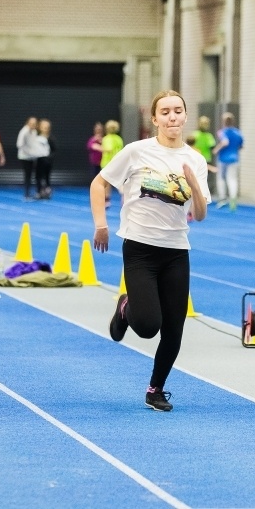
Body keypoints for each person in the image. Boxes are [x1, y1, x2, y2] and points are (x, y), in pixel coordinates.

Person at [90, 89, 210, 412]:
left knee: (174, 328)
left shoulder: (196, 160)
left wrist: (196, 188)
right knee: (147, 325)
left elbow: (199, 214)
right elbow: (98, 184)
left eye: (178, 111)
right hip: (140, 248)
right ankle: (127, 307)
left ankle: (155, 388)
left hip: (175, 250)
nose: (172, 117)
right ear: (154, 118)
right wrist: (101, 223)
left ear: (185, 117)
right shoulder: (136, 151)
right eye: (165, 112)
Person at [211, 112, 243, 211]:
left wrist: (217, 149)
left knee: (221, 178)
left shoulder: (222, 132)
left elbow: (225, 142)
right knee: (232, 179)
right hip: (234, 158)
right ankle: (233, 198)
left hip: (223, 159)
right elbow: (241, 146)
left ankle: (222, 198)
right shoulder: (238, 133)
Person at [99, 120, 123, 208]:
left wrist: (99, 147)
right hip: (118, 162)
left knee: (106, 183)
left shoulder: (107, 138)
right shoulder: (119, 139)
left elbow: (108, 148)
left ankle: (106, 200)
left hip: (107, 163)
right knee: (119, 181)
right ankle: (123, 194)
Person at [192, 115, 217, 194]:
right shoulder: (208, 136)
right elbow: (212, 147)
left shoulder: (194, 134)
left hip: (196, 159)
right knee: (204, 180)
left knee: (197, 178)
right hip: (206, 160)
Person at [16, 116, 38, 200]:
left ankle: (30, 192)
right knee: (28, 175)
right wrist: (28, 152)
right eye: (31, 123)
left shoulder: (34, 132)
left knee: (31, 175)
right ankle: (26, 193)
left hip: (32, 157)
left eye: (35, 123)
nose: (33, 125)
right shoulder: (24, 132)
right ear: (27, 123)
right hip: (24, 157)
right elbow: (19, 144)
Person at [34, 118, 55, 199]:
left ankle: (47, 191)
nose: (45, 128)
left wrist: (49, 158)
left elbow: (54, 150)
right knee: (38, 177)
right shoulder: (36, 137)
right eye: (43, 126)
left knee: (46, 177)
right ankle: (39, 191)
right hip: (39, 160)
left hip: (47, 161)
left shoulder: (51, 138)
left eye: (47, 127)